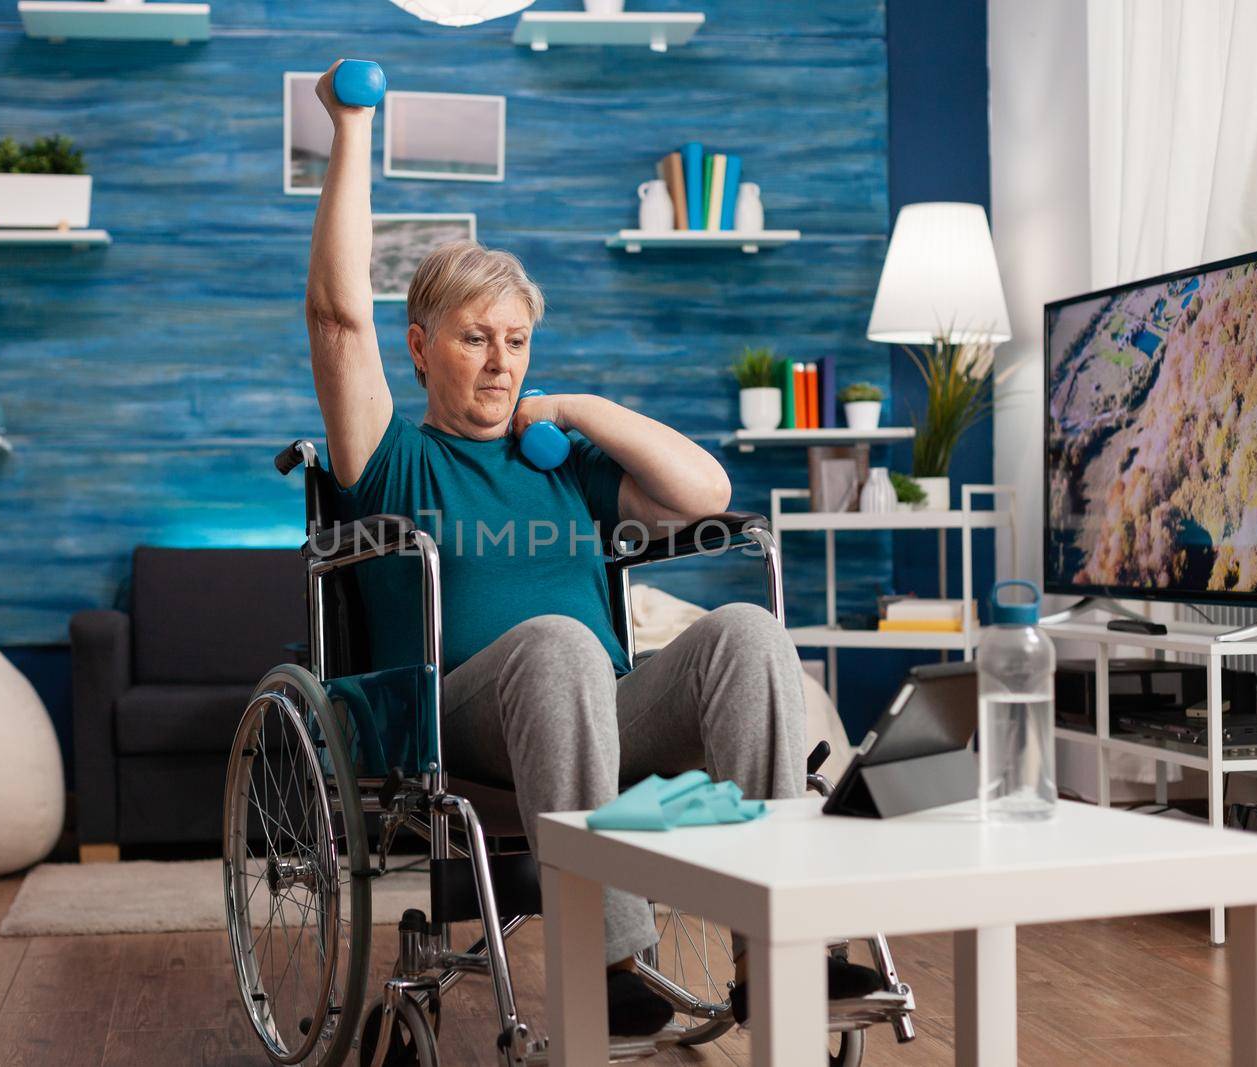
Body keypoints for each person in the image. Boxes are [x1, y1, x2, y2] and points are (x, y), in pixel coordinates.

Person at [303, 60, 875, 1036]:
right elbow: (336, 312)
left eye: (516, 340)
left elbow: (708, 491)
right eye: (474, 337)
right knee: (558, 640)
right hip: (459, 715)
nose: (499, 360)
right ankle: (612, 960)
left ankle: (781, 945)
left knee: (743, 626)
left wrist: (577, 409)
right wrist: (349, 127)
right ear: (419, 347)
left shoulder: (566, 464)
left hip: (601, 708)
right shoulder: (395, 459)